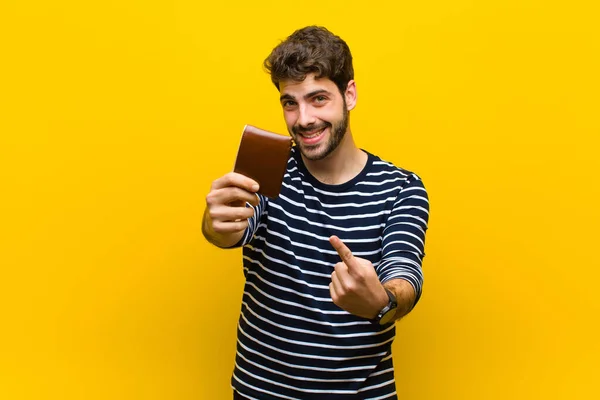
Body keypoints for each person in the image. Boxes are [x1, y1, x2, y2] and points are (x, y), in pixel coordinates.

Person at [202, 26, 430, 400]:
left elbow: (405, 274)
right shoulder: (269, 165)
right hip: (261, 392)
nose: (303, 119)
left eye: (318, 98)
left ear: (349, 95)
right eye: (290, 102)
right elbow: (230, 227)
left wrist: (381, 301)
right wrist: (215, 224)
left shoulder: (401, 187)